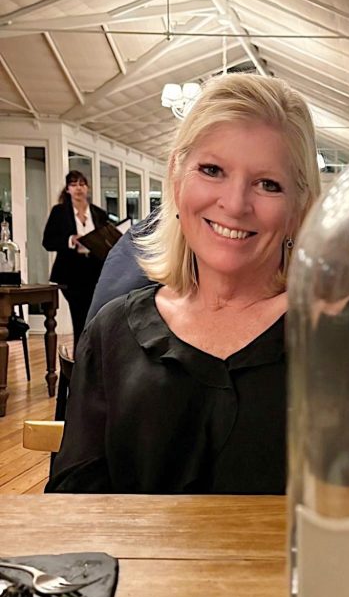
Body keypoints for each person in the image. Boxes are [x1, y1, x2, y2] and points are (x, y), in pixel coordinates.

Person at [47, 74, 321, 494]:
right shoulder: (112, 331)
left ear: (300, 206)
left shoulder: (340, 335)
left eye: (268, 184)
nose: (234, 204)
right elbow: (75, 504)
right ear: (176, 178)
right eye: (212, 170)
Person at [42, 171, 110, 347]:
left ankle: (92, 360)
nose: (78, 188)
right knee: (80, 317)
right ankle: (79, 362)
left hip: (96, 271)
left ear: (87, 187)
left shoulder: (99, 213)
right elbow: (48, 241)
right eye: (73, 184)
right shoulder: (59, 212)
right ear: (67, 189)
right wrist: (70, 240)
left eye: (82, 184)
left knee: (96, 318)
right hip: (71, 273)